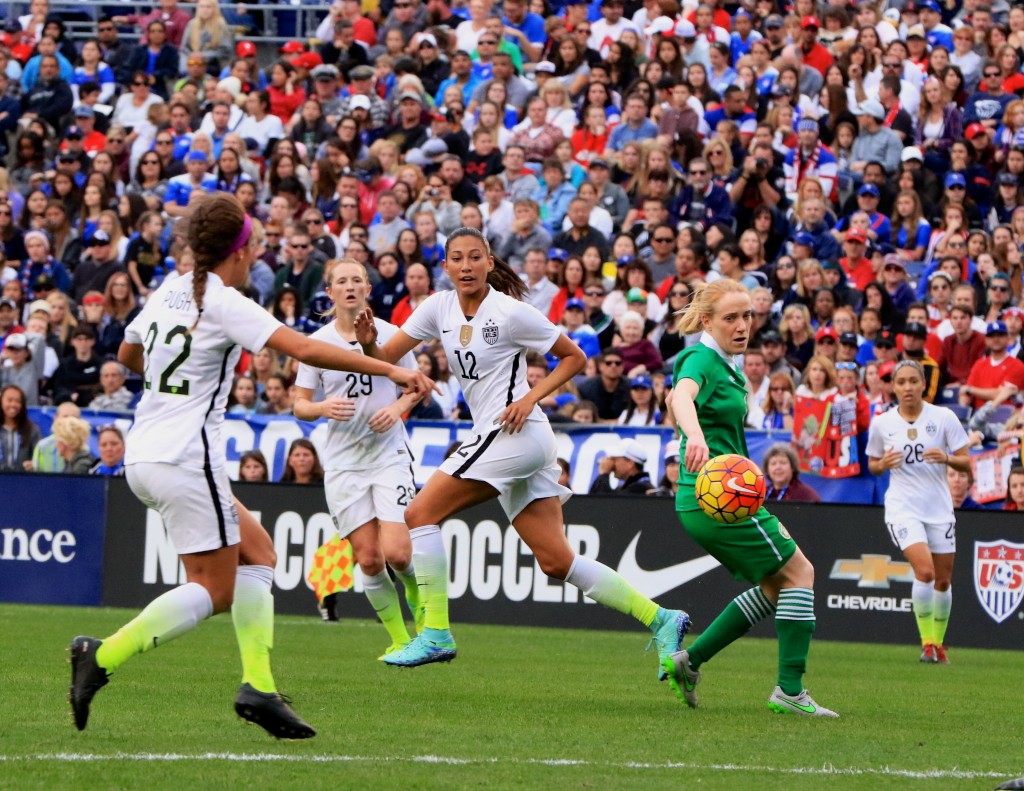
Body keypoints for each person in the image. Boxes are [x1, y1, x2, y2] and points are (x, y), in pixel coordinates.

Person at [67, 193, 435, 737]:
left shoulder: (171, 288)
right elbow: (304, 351)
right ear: (237, 252)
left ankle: (259, 688)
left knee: (259, 553)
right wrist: (395, 372)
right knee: (214, 589)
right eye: (253, 245)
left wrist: (180, 375)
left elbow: (127, 356)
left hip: (147, 450)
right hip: (187, 457)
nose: (256, 252)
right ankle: (102, 656)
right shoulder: (222, 300)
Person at [352, 226, 690, 684]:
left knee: (419, 513)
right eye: (457, 258)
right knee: (557, 561)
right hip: (507, 439)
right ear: (446, 265)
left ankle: (435, 633)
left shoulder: (510, 312)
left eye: (475, 257)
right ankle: (662, 618)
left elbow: (574, 358)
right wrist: (370, 340)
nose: (466, 265)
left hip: (516, 431)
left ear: (490, 263)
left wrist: (532, 397)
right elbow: (387, 358)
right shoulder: (437, 307)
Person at [664, 278, 837, 717]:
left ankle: (690, 660)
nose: (743, 325)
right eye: (731, 318)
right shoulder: (700, 358)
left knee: (778, 588)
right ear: (707, 321)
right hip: (716, 498)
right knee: (801, 575)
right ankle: (790, 691)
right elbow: (680, 394)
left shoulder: (728, 362)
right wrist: (695, 436)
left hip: (719, 497)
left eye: (748, 316)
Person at [293, 259, 425, 658]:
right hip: (344, 462)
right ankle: (401, 641)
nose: (349, 287)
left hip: (388, 456)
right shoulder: (316, 344)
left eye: (356, 280)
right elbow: (299, 405)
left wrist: (398, 408)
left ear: (367, 288)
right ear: (330, 293)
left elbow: (415, 387)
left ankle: (423, 611)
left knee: (398, 553)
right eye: (341, 282)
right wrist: (322, 408)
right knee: (368, 560)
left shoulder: (390, 336)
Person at [867, 359, 970, 665]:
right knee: (924, 572)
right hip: (902, 507)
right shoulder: (883, 423)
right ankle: (927, 643)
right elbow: (872, 465)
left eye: (914, 381)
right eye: (902, 382)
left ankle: (938, 644)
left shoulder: (943, 417)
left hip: (939, 507)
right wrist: (883, 465)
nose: (908, 387)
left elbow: (967, 461)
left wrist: (948, 457)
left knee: (943, 580)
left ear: (924, 384)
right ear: (894, 387)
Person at [0, 384, 40, 471]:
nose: (13, 404)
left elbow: (39, 458)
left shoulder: (32, 430)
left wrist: (33, 465)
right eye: (9, 400)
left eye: (18, 401)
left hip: (23, 480)